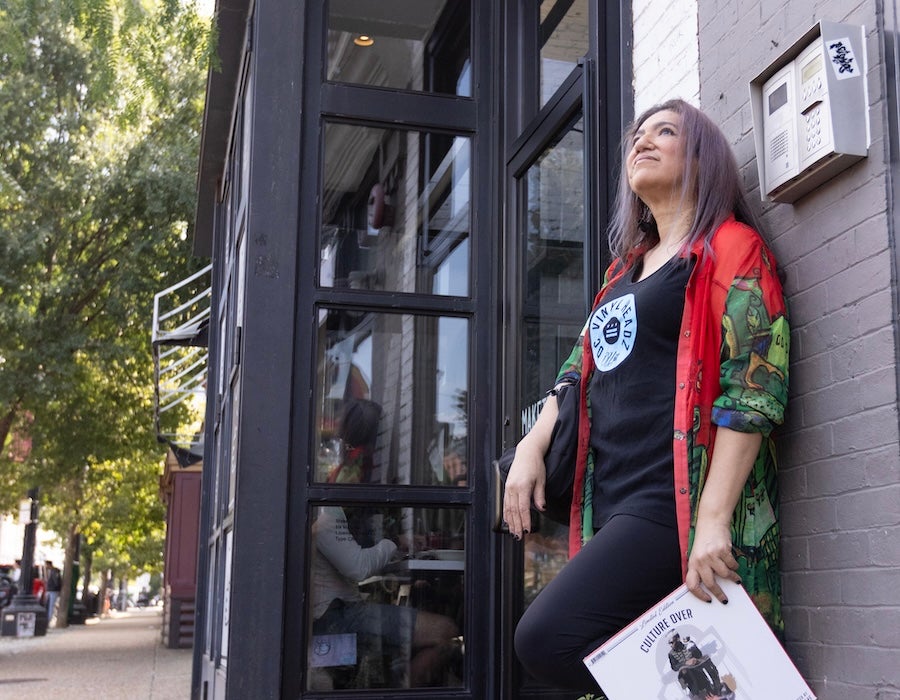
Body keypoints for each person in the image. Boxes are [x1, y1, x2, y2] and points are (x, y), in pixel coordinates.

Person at [503, 98, 789, 693]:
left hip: (671, 504)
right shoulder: (620, 274)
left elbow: (755, 386)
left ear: (702, 159)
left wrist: (711, 521)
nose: (643, 141)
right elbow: (575, 373)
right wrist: (531, 445)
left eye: (665, 132)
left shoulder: (729, 248)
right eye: (638, 134)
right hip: (608, 506)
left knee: (546, 639)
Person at [311, 398, 460, 688]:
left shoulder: (333, 485)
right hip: (337, 617)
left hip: (335, 612)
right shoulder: (328, 504)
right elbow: (357, 567)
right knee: (447, 631)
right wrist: (393, 543)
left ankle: (400, 681)